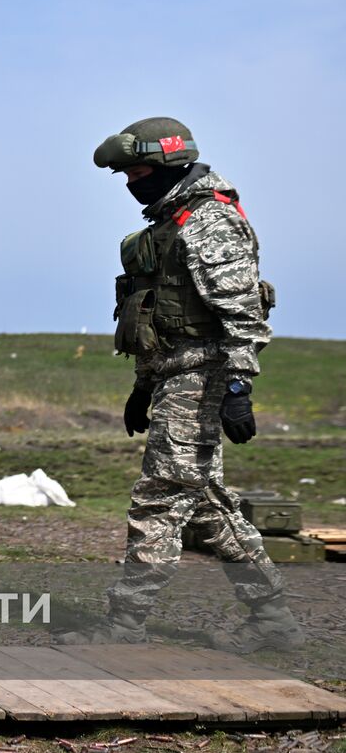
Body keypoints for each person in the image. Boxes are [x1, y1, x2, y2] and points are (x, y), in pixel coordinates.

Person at [60, 117, 303, 651]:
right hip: (175, 373)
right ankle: (274, 623)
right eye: (125, 173)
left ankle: (124, 626)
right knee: (209, 504)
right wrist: (143, 386)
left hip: (203, 374)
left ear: (170, 164)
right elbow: (159, 317)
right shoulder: (168, 224)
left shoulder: (209, 221)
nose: (130, 182)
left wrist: (239, 387)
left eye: (139, 170)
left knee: (160, 497)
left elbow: (242, 314)